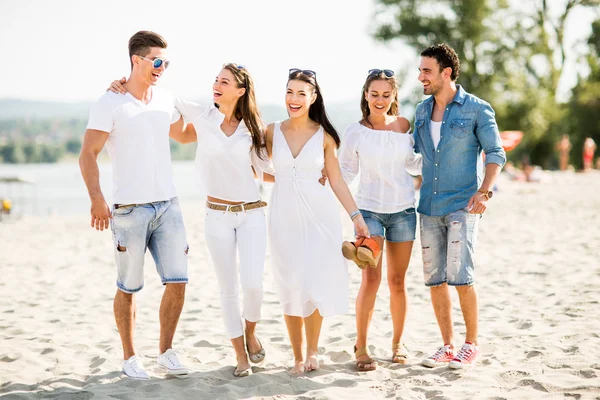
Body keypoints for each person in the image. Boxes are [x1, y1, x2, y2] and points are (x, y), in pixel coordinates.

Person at [107, 64, 326, 377]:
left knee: (253, 286)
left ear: (240, 91)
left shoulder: (253, 127)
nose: (217, 85)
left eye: (225, 82)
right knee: (228, 290)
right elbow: (158, 94)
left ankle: (250, 332)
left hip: (251, 214)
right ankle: (240, 356)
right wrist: (123, 84)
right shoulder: (201, 116)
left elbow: (267, 170)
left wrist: (307, 179)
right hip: (216, 217)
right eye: (216, 80)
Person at [79, 31, 189, 380]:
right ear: (136, 61)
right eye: (157, 61)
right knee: (128, 286)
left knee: (178, 280)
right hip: (129, 210)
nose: (162, 68)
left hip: (168, 205)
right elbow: (88, 154)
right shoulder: (109, 102)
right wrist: (97, 198)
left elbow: (185, 135)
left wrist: (233, 120)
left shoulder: (165, 98)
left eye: (165, 62)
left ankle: (166, 352)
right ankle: (129, 357)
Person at [264, 68, 370, 374]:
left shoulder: (324, 137)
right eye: (289, 92)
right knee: (289, 283)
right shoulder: (271, 131)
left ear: (313, 97)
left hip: (320, 217)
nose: (293, 99)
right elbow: (253, 167)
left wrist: (356, 217)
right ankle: (297, 355)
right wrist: (284, 178)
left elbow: (336, 180)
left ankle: (312, 352)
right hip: (283, 217)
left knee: (314, 281)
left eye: (301, 93)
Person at [413, 44, 506, 369]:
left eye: (426, 70)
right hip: (427, 206)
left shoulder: (477, 109)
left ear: (446, 72)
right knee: (435, 280)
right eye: (420, 70)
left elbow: (496, 152)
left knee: (462, 277)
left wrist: (484, 192)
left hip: (462, 205)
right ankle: (447, 346)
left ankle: (471, 344)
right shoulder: (422, 111)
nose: (420, 76)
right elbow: (412, 157)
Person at [338, 69, 422, 371]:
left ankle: (398, 344)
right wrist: (320, 183)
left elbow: (413, 163)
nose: (380, 100)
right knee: (370, 279)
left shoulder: (404, 126)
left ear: (394, 96)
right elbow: (345, 172)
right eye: (374, 94)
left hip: (403, 211)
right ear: (365, 94)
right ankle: (361, 346)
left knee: (398, 282)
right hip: (369, 211)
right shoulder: (355, 131)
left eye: (386, 95)